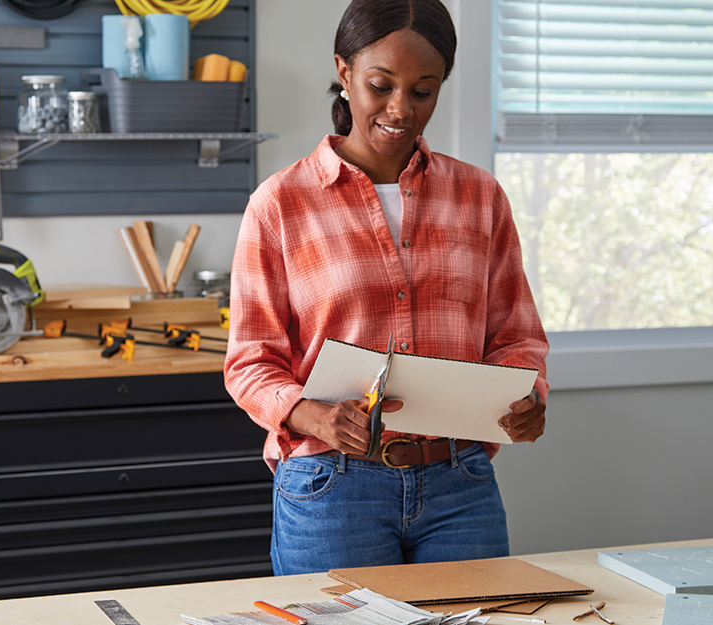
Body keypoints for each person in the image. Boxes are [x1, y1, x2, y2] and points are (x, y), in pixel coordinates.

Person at [223, 0, 548, 576]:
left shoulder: (480, 197)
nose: (401, 109)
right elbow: (251, 363)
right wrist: (314, 416)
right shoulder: (279, 204)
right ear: (344, 71)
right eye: (381, 85)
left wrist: (529, 398)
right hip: (333, 489)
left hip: (460, 485)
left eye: (423, 91)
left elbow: (516, 336)